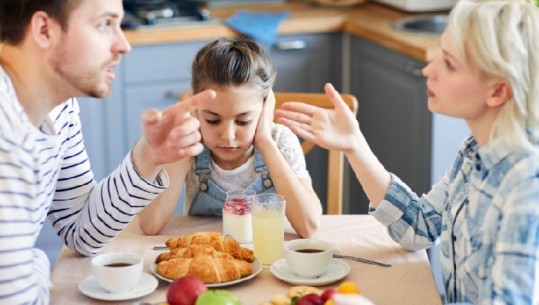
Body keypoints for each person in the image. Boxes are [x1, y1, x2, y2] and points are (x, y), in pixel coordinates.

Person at [275, 0, 539, 304]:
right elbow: (421, 227)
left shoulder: (526, 187)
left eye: (449, 64)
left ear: (497, 91)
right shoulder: (476, 151)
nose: (430, 69)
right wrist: (355, 146)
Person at [0, 0, 215, 303]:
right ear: (44, 29)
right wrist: (36, 265)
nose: (123, 44)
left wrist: (147, 159)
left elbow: (81, 232)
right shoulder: (6, 140)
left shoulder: (59, 109)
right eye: (104, 24)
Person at [138, 37, 322, 238]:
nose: (228, 136)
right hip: (208, 258)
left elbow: (309, 226)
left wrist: (265, 142)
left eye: (243, 121)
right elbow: (150, 225)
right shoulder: (188, 142)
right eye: (212, 120)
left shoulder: (279, 140)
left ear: (265, 108)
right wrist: (189, 129)